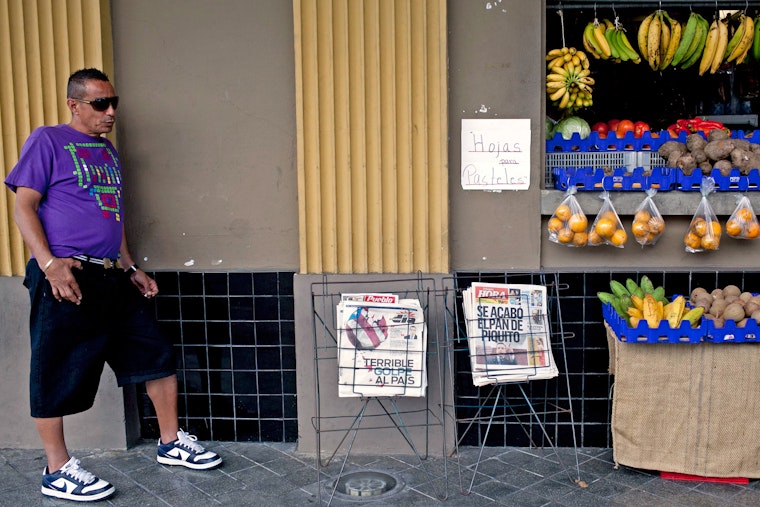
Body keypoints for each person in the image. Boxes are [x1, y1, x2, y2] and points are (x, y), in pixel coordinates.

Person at [4, 68, 222, 502]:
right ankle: (56, 469)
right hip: (68, 275)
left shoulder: (106, 152)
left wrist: (130, 267)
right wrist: (49, 265)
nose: (110, 112)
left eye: (113, 103)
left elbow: (111, 216)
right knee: (55, 367)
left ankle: (170, 442)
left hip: (111, 275)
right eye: (100, 104)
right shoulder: (48, 140)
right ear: (74, 104)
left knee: (155, 352)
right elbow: (23, 206)